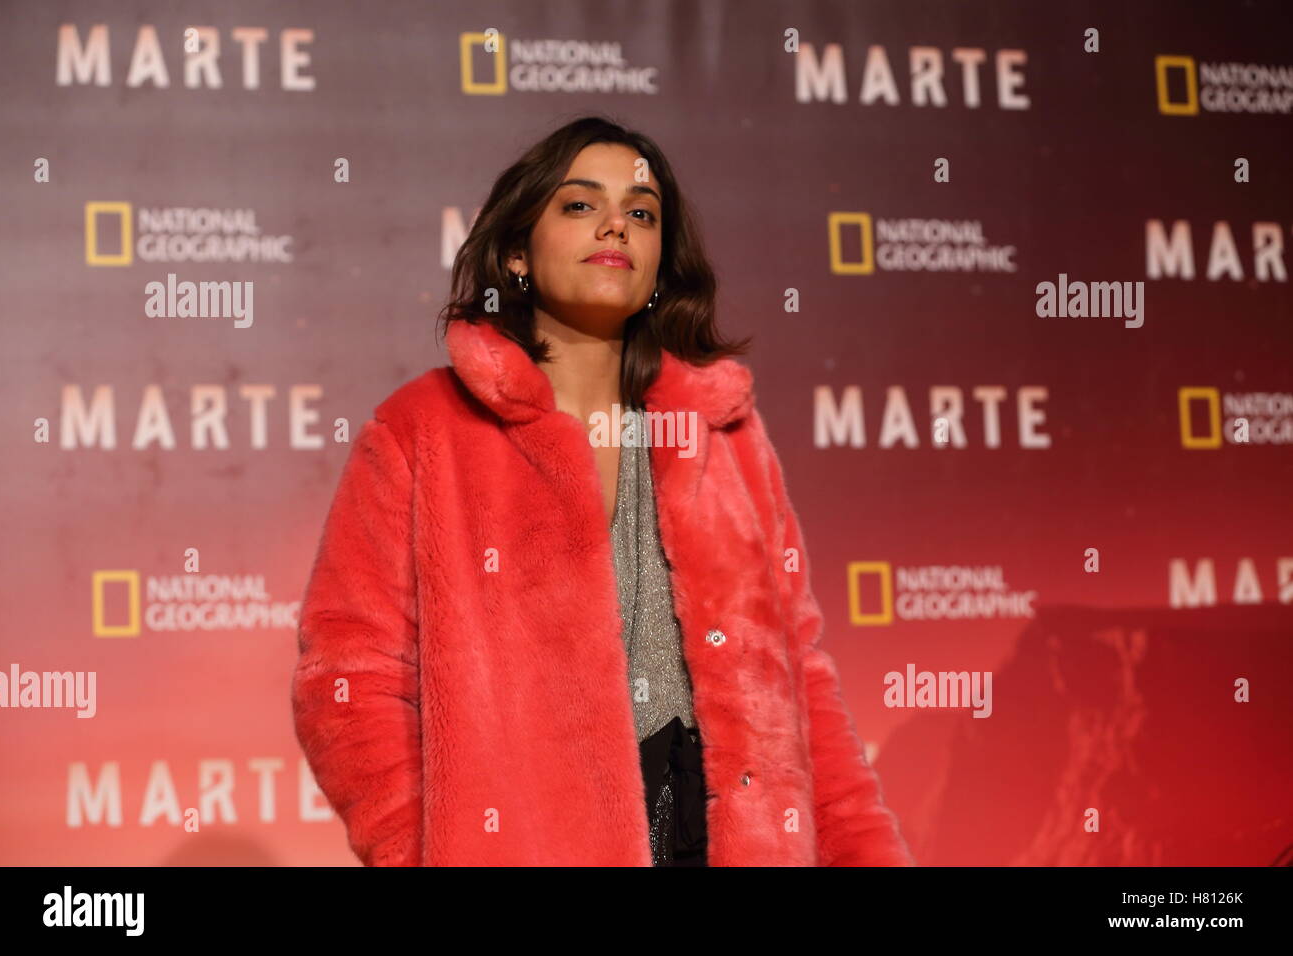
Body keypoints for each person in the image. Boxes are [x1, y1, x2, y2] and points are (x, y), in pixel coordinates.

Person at [291, 114, 914, 867]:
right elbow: (348, 684)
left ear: (659, 261)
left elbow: (800, 677)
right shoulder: (422, 430)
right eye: (581, 204)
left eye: (642, 213)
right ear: (517, 251)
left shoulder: (724, 434)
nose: (616, 224)